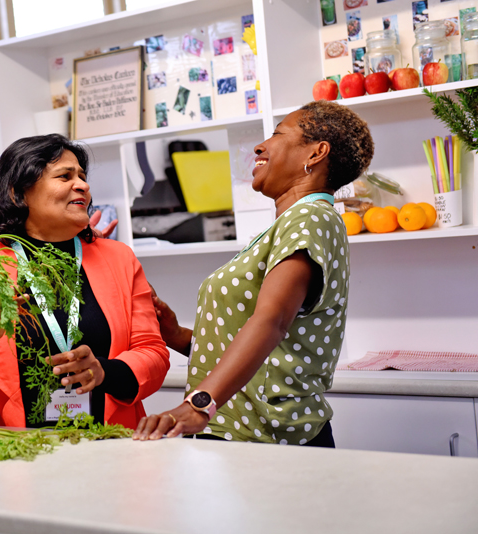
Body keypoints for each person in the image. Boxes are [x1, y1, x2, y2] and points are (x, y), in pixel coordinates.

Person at [134, 100, 374, 446]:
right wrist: (178, 335)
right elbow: (264, 349)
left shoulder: (311, 218)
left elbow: (271, 322)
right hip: (240, 431)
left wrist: (200, 405)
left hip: (264, 439)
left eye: (278, 135)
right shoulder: (293, 225)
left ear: (316, 153)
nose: (261, 146)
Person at [0, 134, 169, 428]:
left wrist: (104, 372)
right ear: (18, 193)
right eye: (64, 176)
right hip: (18, 459)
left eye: (83, 176)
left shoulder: (119, 258)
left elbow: (154, 355)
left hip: (113, 448)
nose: (82, 184)